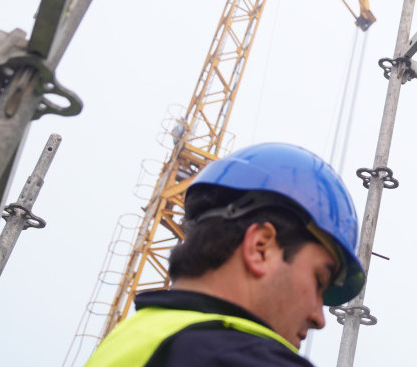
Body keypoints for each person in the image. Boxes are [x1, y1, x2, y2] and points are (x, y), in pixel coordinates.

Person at [84, 142, 365, 367]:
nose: (319, 317)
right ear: (260, 248)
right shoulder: (235, 357)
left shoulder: (128, 340)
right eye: (318, 280)